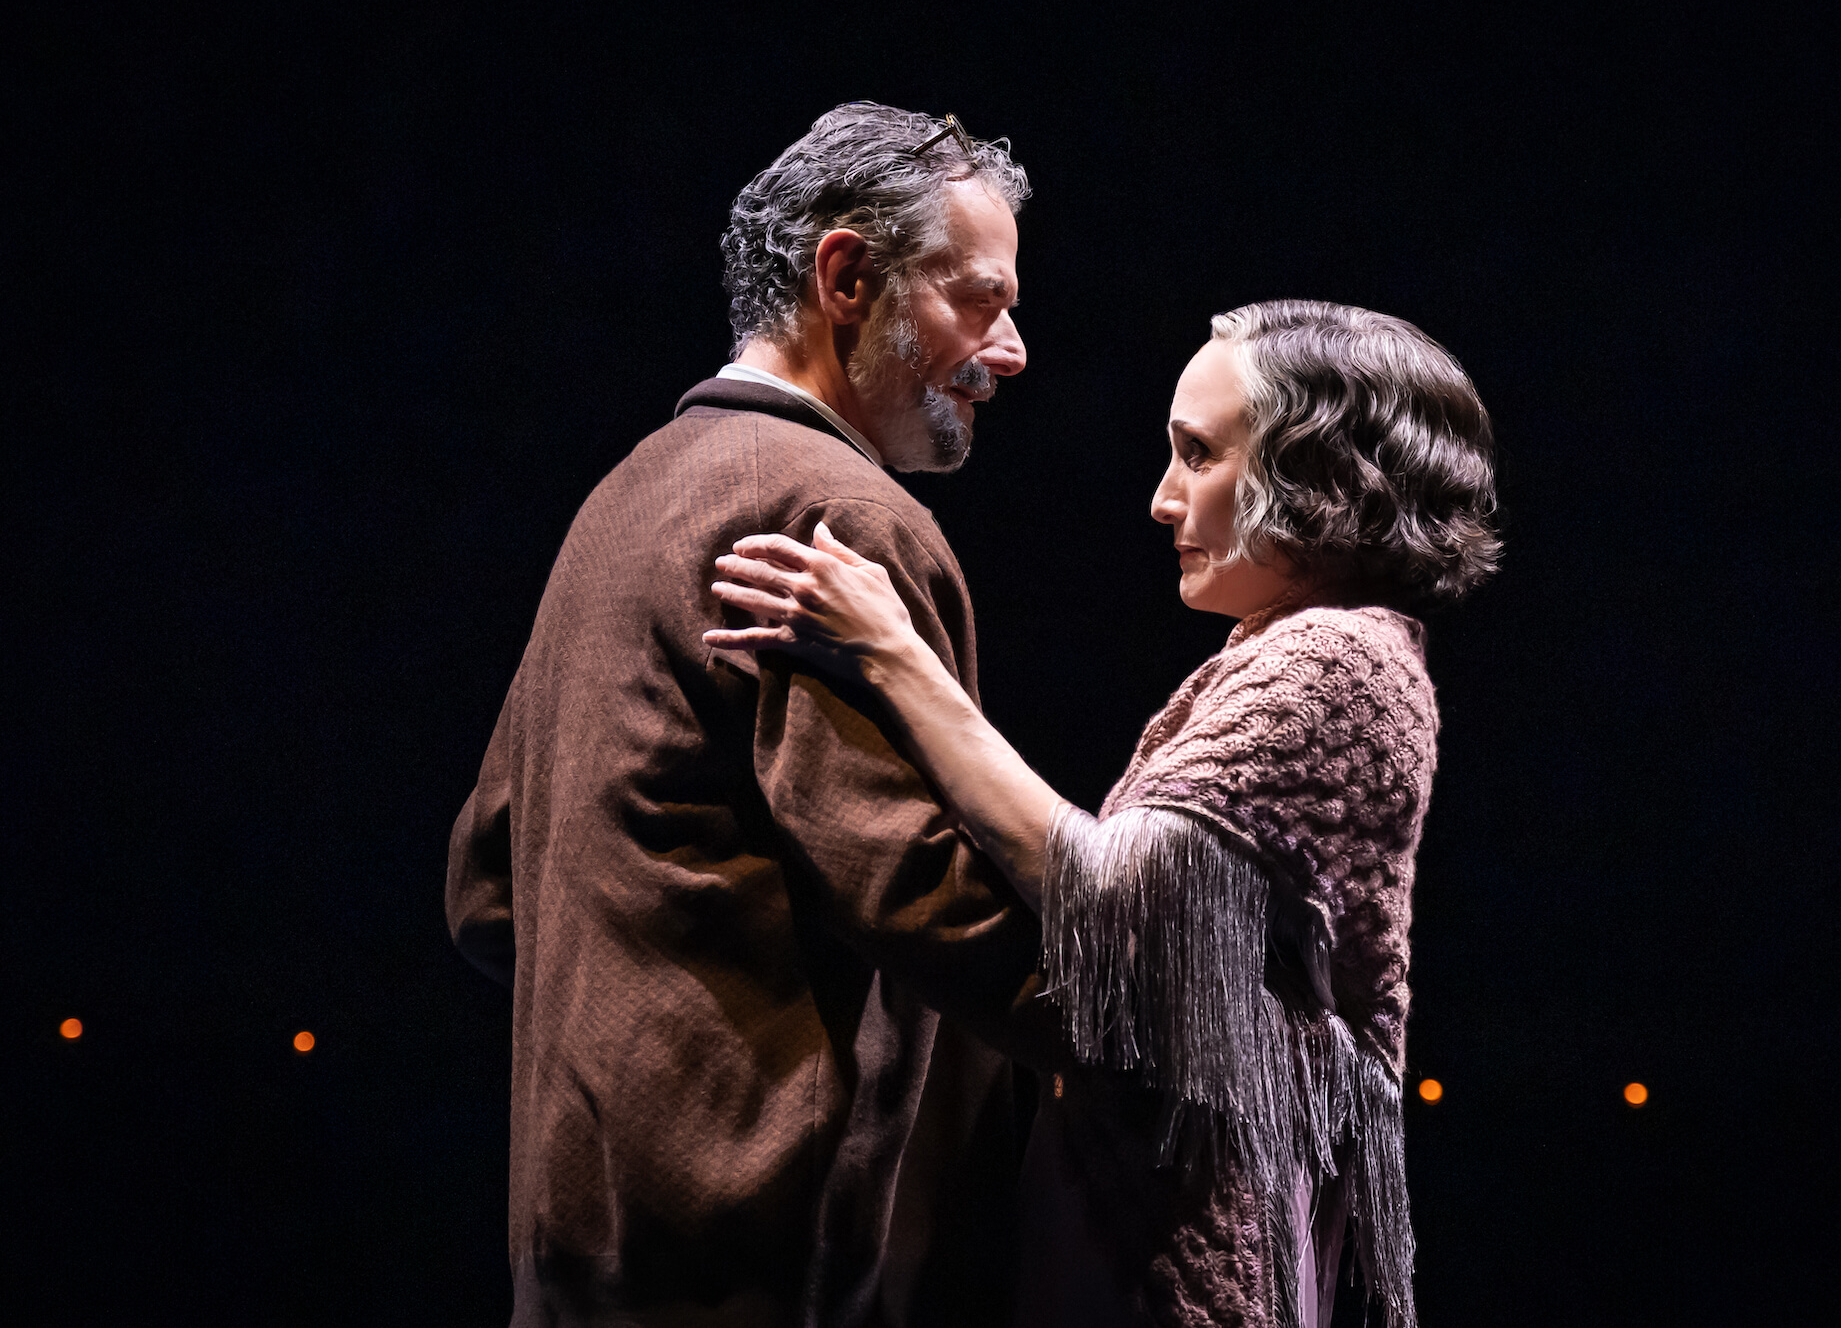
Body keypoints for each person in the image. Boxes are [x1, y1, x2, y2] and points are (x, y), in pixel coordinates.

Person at [707, 300, 1503, 1328]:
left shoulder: (1333, 663)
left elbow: (1113, 897)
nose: (1162, 501)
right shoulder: (1283, 651)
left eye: (1198, 455)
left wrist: (894, 658)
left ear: (1317, 474)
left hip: (1172, 1244)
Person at [446, 104, 1045, 1327]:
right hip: (760, 1258)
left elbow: (484, 889)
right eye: (979, 300)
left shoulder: (619, 498)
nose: (1012, 348)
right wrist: (1174, 1026)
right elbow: (926, 897)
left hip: (575, 1248)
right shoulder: (837, 517)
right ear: (846, 276)